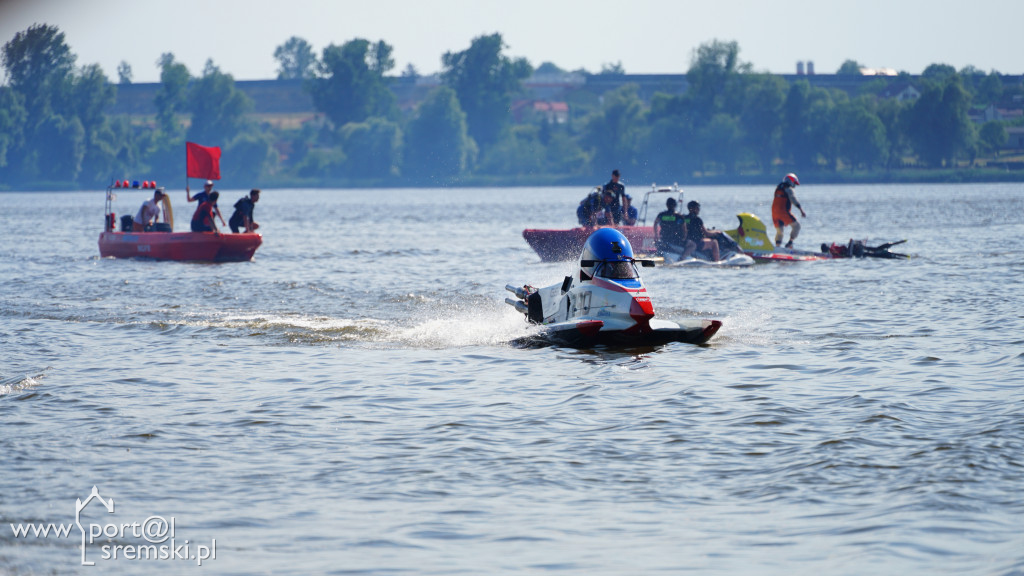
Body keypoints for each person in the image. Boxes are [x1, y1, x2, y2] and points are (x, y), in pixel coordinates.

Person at [772, 173, 806, 249]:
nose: (794, 185)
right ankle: (790, 243)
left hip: (774, 213)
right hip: (783, 212)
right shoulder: (788, 188)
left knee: (780, 231)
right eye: (794, 183)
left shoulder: (778, 187)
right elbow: (793, 199)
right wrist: (801, 210)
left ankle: (777, 248)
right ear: (791, 181)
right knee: (797, 226)